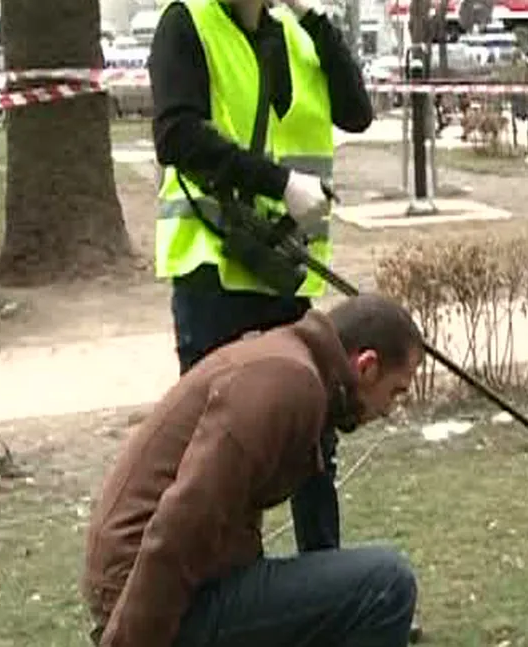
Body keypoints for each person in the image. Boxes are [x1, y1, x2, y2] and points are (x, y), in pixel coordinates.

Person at [147, 0, 375, 621]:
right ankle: (209, 604)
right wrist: (279, 183)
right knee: (213, 452)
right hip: (212, 270)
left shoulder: (300, 36)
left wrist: (317, 18)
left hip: (284, 269)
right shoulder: (187, 22)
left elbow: (358, 112)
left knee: (310, 440)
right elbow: (176, 135)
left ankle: (328, 597)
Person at [82, 294, 425, 647]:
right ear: (366, 365)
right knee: (386, 584)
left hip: (174, 579)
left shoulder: (294, 368)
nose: (388, 410)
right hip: (144, 590)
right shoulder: (287, 382)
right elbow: (184, 519)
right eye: (394, 392)